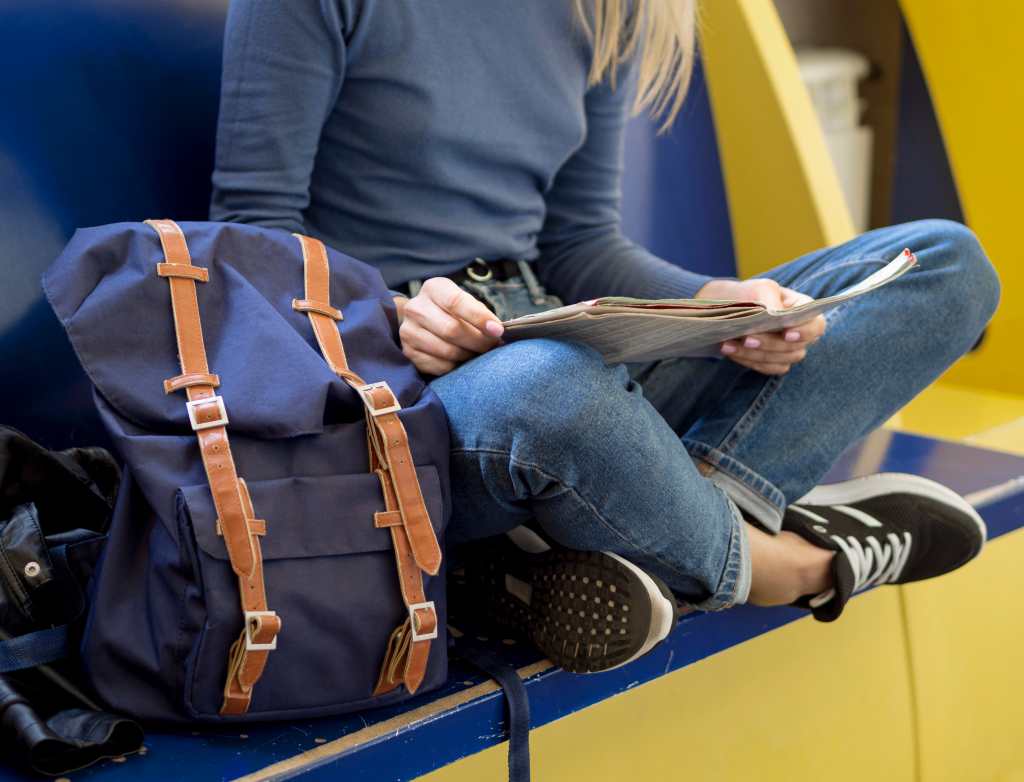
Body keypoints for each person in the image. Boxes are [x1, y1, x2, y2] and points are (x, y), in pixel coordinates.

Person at [210, 0, 1000, 672]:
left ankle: (611, 529)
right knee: (550, 388)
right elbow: (246, 243)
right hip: (406, 397)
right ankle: (784, 565)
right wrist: (388, 317)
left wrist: (723, 307)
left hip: (552, 334)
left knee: (941, 263)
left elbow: (580, 243)